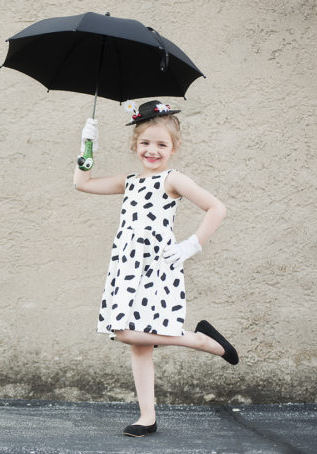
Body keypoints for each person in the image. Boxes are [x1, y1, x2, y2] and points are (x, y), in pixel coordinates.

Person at [73, 100, 239, 438]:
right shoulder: (131, 181)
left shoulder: (172, 179)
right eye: (146, 143)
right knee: (138, 344)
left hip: (157, 266)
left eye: (161, 144)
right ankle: (147, 416)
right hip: (126, 266)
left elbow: (216, 208)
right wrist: (87, 146)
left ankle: (202, 341)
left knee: (124, 332)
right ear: (135, 145)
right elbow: (83, 183)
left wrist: (189, 246)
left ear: (173, 148)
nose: (153, 150)